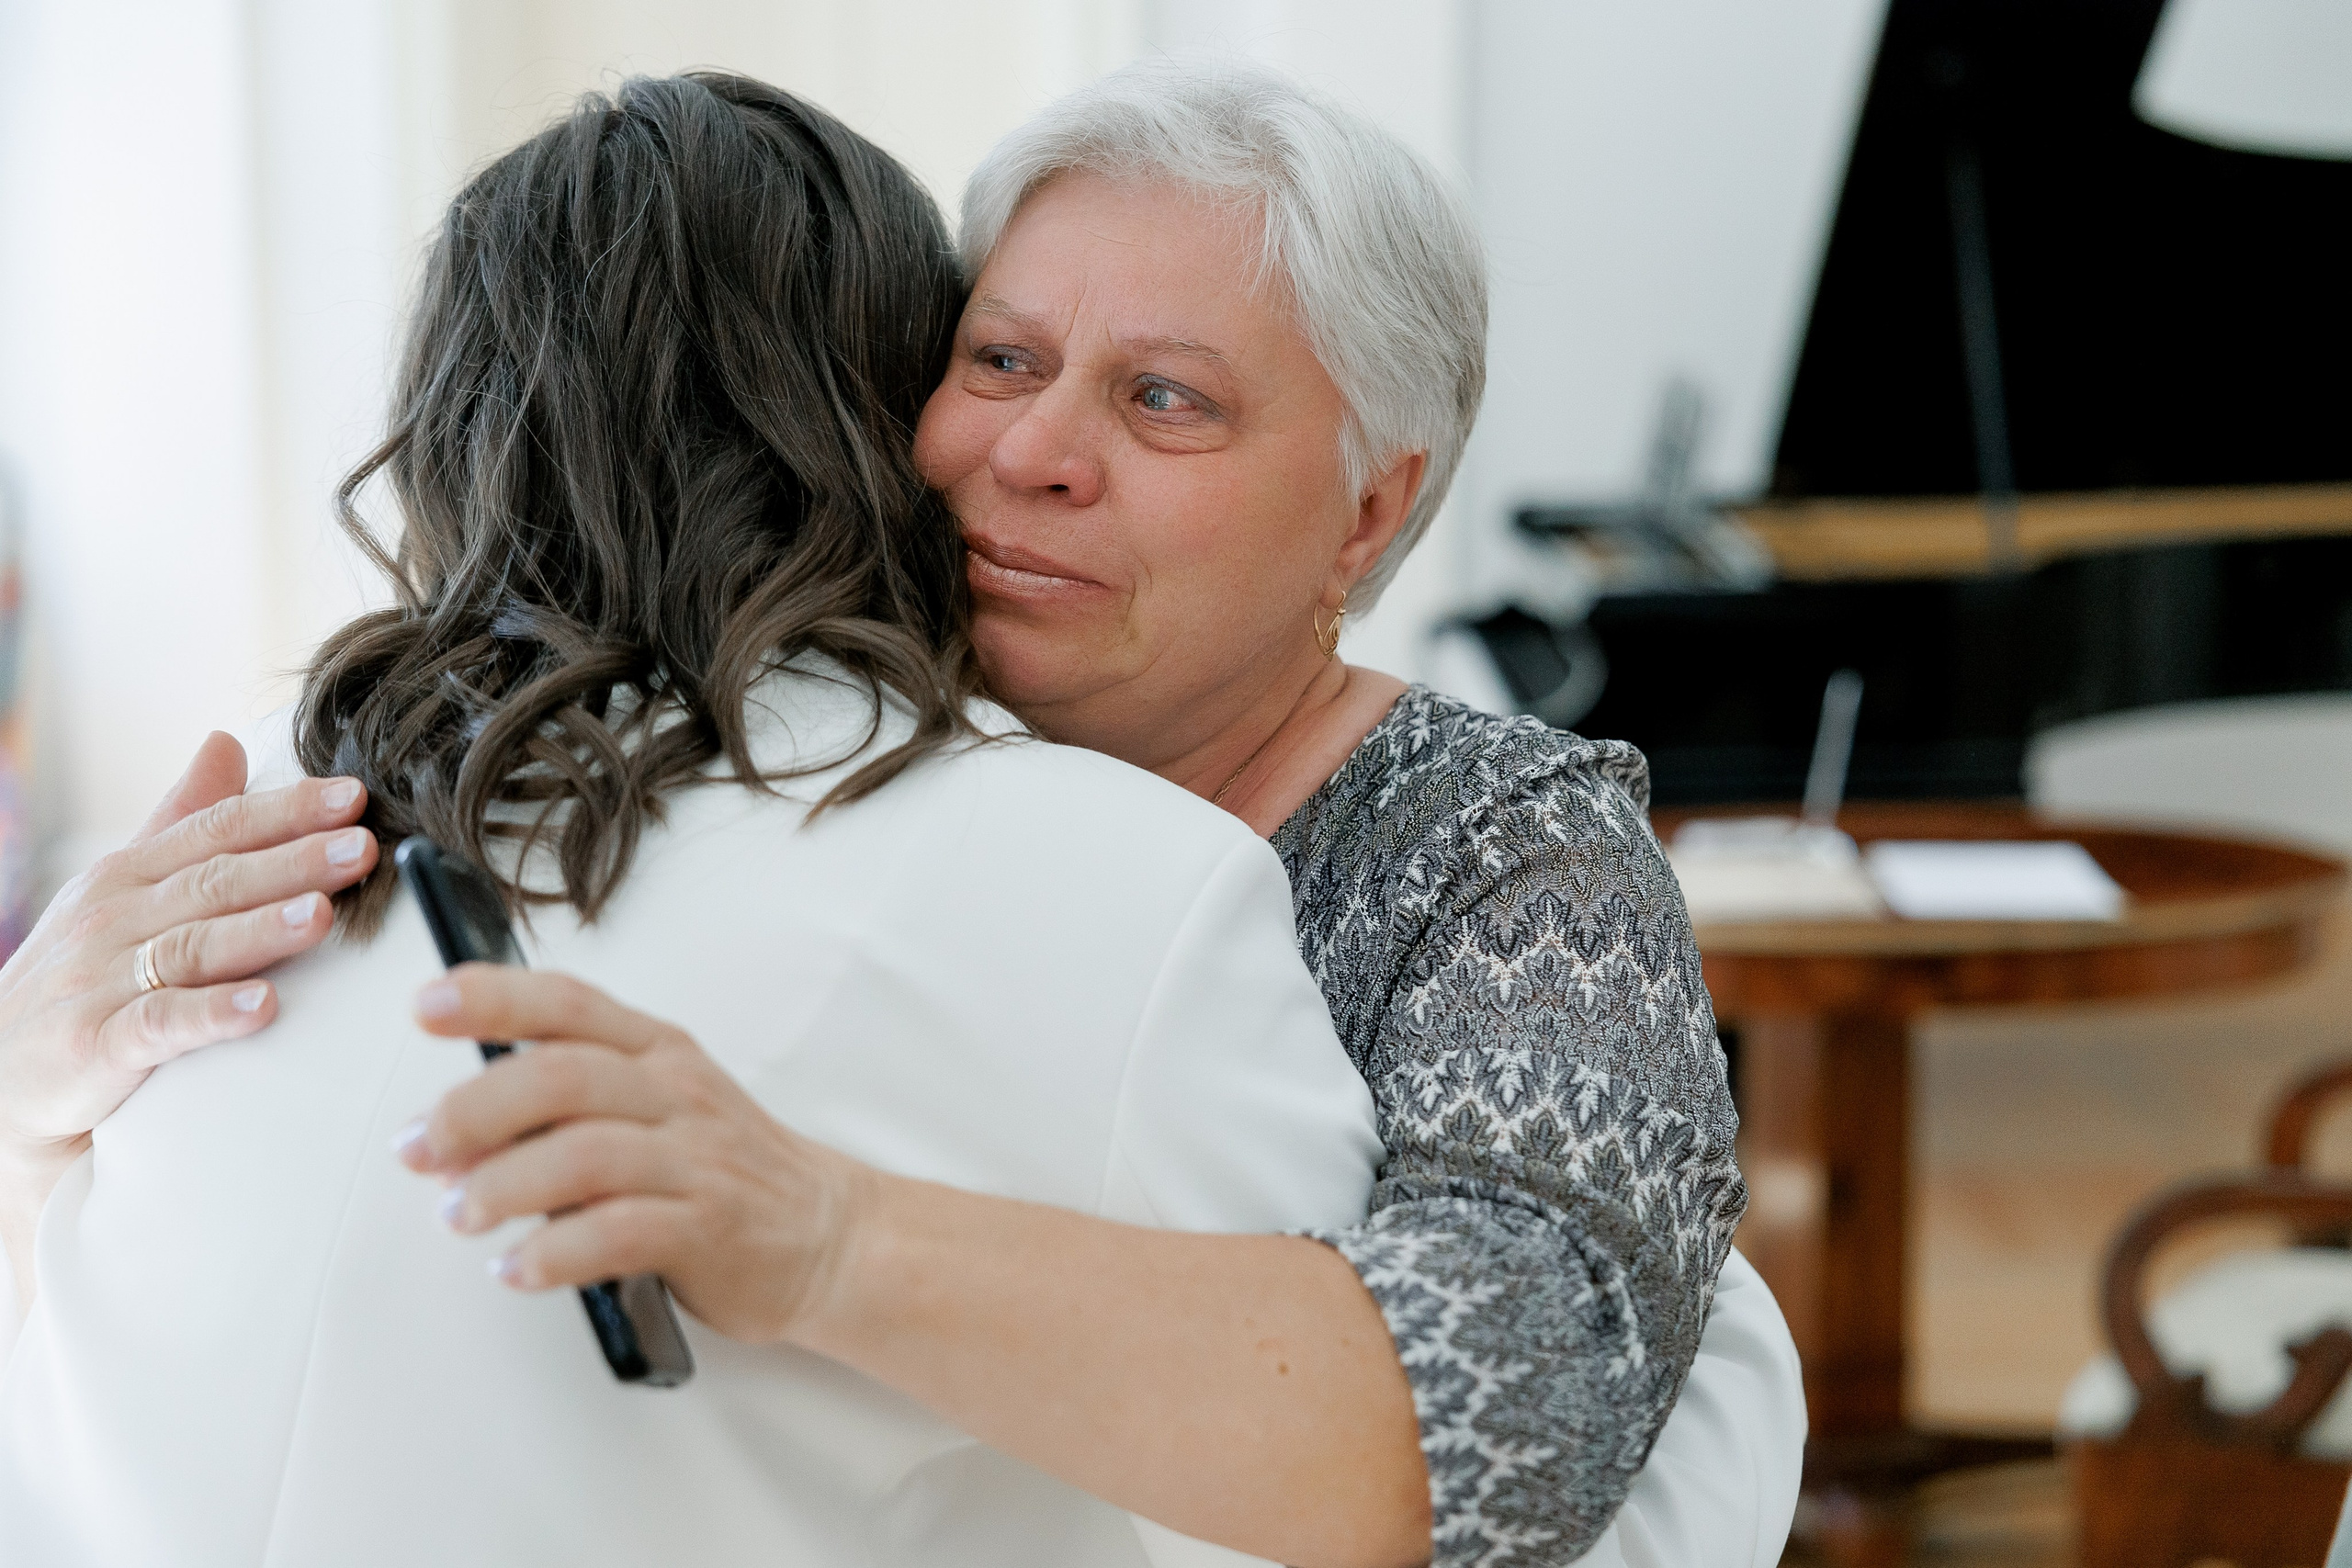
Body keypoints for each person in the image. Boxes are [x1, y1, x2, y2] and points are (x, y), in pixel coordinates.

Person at [0, 60, 1804, 1568]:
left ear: (1366, 511)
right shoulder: (751, 759)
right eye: (999, 360)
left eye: (1164, 398)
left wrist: (831, 1239)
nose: (1034, 454)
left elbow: (1516, 1408)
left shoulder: (1505, 856)